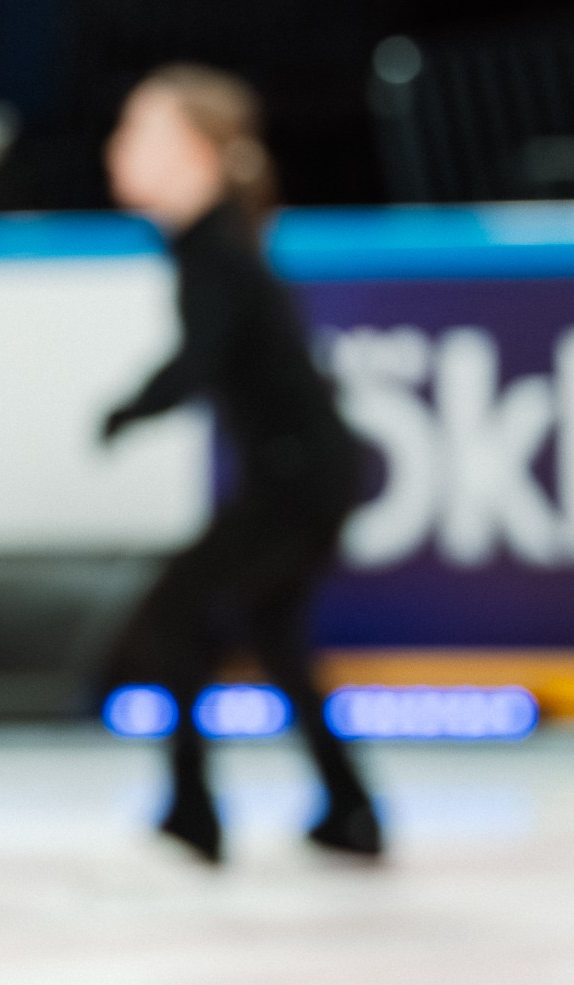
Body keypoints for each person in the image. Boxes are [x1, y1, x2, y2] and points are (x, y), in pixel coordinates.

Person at [99, 65, 382, 863]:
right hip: (302, 474)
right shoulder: (212, 240)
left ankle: (193, 813)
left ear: (193, 151)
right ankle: (349, 808)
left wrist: (130, 408)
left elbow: (203, 357)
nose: (115, 148)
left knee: (172, 620)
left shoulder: (213, 248)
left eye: (137, 131)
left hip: (297, 479)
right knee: (272, 634)